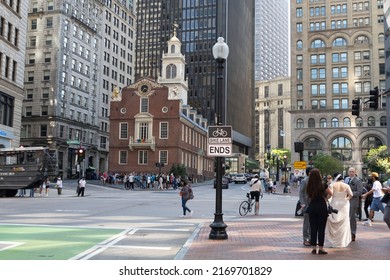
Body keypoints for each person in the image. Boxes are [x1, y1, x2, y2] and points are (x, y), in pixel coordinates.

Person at [306, 168, 332, 255]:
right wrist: (325, 198)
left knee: (313, 228)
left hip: (312, 207)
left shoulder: (309, 185)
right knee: (321, 228)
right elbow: (330, 193)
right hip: (321, 207)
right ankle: (321, 248)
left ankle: (313, 248)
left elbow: (308, 196)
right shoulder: (323, 185)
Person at [326, 172, 353, 247]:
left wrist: (326, 199)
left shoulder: (332, 185)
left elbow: (329, 195)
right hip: (344, 205)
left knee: (334, 222)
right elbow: (351, 195)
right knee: (343, 223)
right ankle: (342, 242)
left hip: (335, 203)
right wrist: (345, 199)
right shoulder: (346, 185)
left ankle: (334, 242)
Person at [344, 167, 363, 241]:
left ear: (355, 172)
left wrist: (350, 194)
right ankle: (346, 233)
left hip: (353, 201)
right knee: (346, 217)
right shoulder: (346, 179)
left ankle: (353, 233)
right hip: (345, 201)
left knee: (352, 218)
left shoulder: (358, 181)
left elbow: (359, 192)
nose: (351, 173)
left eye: (352, 171)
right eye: (350, 171)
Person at [299, 166, 313, 246]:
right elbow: (301, 193)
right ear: (309, 173)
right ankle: (306, 239)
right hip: (307, 204)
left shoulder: (315, 181)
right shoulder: (304, 181)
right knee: (307, 223)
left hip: (314, 203)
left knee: (312, 223)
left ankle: (312, 238)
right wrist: (302, 203)